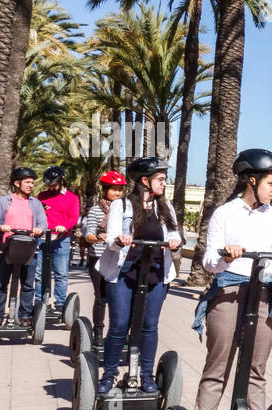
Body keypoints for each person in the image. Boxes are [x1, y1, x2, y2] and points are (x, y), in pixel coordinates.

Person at [190, 149, 272, 410]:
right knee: (218, 367)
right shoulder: (225, 214)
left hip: (264, 292)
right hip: (229, 291)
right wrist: (226, 255)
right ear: (252, 180)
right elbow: (209, 262)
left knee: (256, 369)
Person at [96, 158, 182, 394]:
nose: (165, 184)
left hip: (156, 272)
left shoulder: (165, 207)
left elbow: (176, 236)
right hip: (124, 272)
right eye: (160, 180)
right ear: (145, 181)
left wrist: (175, 243)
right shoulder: (121, 206)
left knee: (149, 326)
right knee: (119, 325)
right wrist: (119, 239)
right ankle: (109, 374)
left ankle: (146, 375)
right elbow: (112, 238)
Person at [0, 166, 46, 323]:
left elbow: (43, 223)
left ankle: (25, 315)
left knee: (27, 285)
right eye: (27, 182)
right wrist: (0, 227)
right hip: (5, 249)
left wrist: (39, 229)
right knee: (1, 285)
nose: (31, 186)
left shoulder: (36, 203)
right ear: (17, 183)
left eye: (32, 183)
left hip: (29, 250)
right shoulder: (3, 202)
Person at [82, 170, 127, 331]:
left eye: (120, 189)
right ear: (105, 190)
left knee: (119, 298)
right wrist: (104, 238)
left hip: (118, 258)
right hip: (99, 257)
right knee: (101, 296)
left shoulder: (126, 211)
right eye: (114, 189)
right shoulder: (95, 210)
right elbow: (88, 236)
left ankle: (117, 332)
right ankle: (98, 331)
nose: (118, 193)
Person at [33, 165, 81, 314]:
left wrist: (64, 226)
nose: (51, 188)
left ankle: (60, 304)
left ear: (62, 180)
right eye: (49, 185)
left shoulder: (72, 198)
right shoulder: (41, 196)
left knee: (61, 273)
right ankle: (40, 302)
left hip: (61, 239)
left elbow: (74, 218)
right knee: (39, 273)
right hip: (43, 238)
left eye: (54, 185)